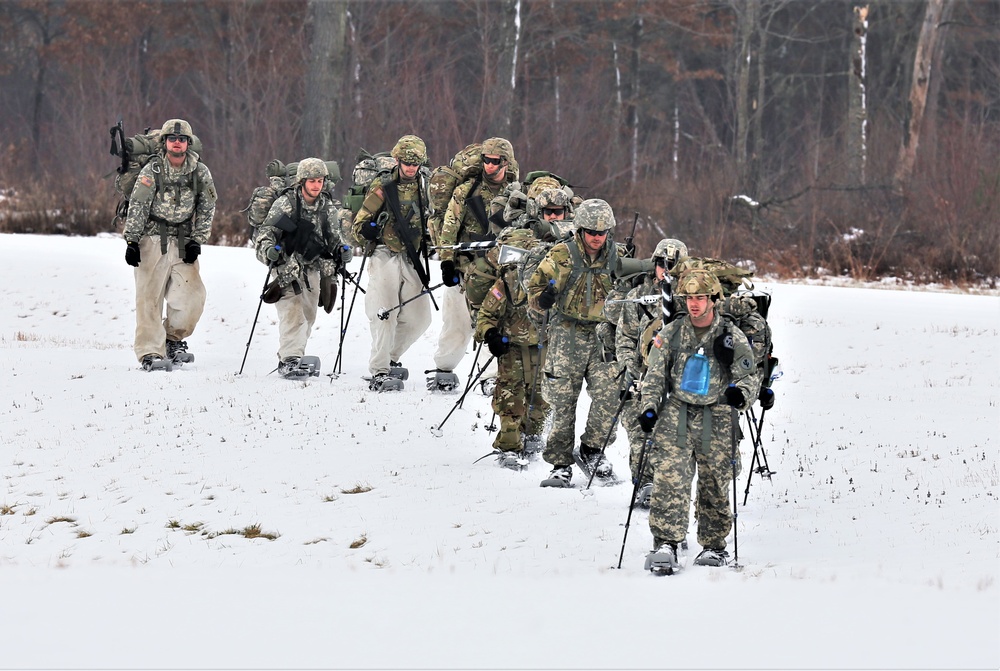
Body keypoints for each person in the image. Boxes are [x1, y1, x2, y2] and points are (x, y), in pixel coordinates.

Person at [636, 268, 760, 572]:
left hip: (716, 415)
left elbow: (750, 376)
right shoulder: (672, 333)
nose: (694, 304)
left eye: (701, 297)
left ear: (713, 300)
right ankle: (666, 542)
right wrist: (649, 407)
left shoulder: (730, 337)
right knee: (669, 479)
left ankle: (714, 546)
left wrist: (739, 395)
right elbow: (654, 376)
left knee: (715, 482)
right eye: (690, 297)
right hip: (677, 412)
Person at [527, 198, 623, 487]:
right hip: (567, 331)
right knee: (562, 399)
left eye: (602, 232)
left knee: (610, 395)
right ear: (580, 230)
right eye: (591, 231)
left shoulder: (618, 257)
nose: (597, 237)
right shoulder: (561, 254)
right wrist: (541, 299)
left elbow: (632, 290)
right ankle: (559, 462)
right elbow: (534, 287)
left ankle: (593, 449)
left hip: (603, 334)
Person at [123, 118, 217, 370]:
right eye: (172, 139)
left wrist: (198, 239)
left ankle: (172, 339)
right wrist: (132, 240)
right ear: (165, 142)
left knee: (193, 297)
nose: (177, 143)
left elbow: (207, 206)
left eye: (182, 139)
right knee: (148, 299)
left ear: (189, 143)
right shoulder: (152, 170)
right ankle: (150, 352)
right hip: (151, 238)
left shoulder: (200, 171)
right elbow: (138, 205)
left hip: (184, 240)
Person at [430, 137, 517, 392]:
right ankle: (443, 369)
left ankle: (489, 376)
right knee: (456, 324)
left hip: (498, 270)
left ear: (506, 163)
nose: (490, 165)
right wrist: (446, 262)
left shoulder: (515, 194)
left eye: (496, 161)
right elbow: (449, 227)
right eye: (486, 160)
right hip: (465, 267)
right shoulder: (467, 190)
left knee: (492, 321)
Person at [255, 158, 351, 377]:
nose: (316, 185)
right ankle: (289, 360)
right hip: (287, 267)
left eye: (320, 180)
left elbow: (335, 237)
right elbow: (266, 232)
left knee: (308, 316)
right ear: (302, 181)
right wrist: (269, 250)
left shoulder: (326, 206)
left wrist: (343, 251)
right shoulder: (286, 203)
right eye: (312, 181)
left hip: (312, 268)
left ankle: (294, 355)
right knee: (293, 312)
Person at [352, 134, 433, 392]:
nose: (411, 167)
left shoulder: (427, 187)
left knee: (421, 318)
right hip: (385, 252)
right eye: (406, 162)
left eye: (415, 162)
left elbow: (438, 218)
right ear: (397, 160)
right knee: (385, 311)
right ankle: (380, 370)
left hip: (413, 256)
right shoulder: (383, 185)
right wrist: (368, 229)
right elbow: (359, 223)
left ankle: (390, 357)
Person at [613, 238, 687, 507]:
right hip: (641, 378)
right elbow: (624, 339)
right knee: (640, 432)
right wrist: (630, 372)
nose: (665, 270)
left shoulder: (690, 298)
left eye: (672, 265)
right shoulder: (638, 296)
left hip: (677, 380)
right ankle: (644, 483)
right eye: (661, 264)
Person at [473, 234, 551, 469]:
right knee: (510, 399)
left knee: (541, 399)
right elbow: (485, 315)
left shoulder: (555, 283)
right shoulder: (508, 282)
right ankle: (508, 446)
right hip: (512, 349)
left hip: (543, 348)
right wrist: (490, 335)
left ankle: (533, 437)